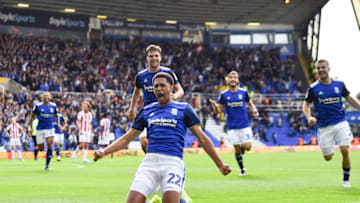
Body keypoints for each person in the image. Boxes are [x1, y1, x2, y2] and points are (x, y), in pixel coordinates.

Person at [94, 72, 232, 203]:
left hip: (173, 163)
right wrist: (104, 152)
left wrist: (220, 165)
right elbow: (127, 138)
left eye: (162, 85)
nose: (159, 89)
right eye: (156, 86)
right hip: (150, 163)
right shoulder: (147, 111)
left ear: (171, 88)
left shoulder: (184, 109)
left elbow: (202, 138)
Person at [302, 59, 360, 188]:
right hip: (324, 127)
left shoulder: (339, 85)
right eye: (318, 68)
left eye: (323, 67)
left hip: (340, 122)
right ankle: (330, 147)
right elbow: (305, 105)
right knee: (328, 157)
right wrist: (309, 117)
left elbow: (349, 98)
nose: (321, 70)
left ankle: (346, 180)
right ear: (316, 71)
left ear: (329, 69)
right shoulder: (313, 88)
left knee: (345, 149)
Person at [128, 44, 184, 152]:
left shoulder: (168, 73)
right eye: (151, 56)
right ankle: (151, 162)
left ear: (160, 57)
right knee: (144, 142)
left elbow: (180, 90)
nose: (154, 58)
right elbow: (136, 93)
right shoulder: (141, 76)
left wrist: (174, 96)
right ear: (147, 58)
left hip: (165, 111)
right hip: (148, 112)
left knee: (164, 143)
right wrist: (132, 109)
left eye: (156, 56)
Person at [210, 70, 258, 176]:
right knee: (237, 149)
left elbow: (250, 103)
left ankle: (242, 149)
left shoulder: (243, 92)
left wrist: (254, 110)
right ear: (228, 80)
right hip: (232, 127)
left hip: (244, 125)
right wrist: (215, 107)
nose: (233, 79)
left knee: (248, 147)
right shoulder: (224, 95)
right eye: (231, 77)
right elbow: (219, 110)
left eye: (235, 77)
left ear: (238, 80)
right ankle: (242, 169)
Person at [29, 92, 61, 170]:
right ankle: (42, 150)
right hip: (40, 129)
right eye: (45, 96)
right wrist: (30, 127)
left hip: (50, 128)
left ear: (50, 97)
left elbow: (56, 116)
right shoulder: (38, 106)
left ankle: (47, 165)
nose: (46, 97)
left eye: (48, 96)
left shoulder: (53, 106)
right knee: (41, 148)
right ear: (42, 98)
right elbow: (31, 116)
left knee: (50, 144)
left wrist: (59, 124)